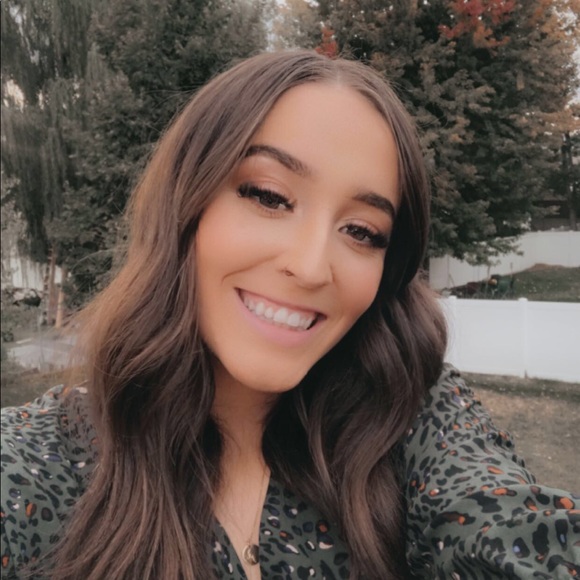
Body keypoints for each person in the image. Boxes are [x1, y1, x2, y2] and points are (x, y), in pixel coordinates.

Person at [1, 50, 578, 580]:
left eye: (362, 231)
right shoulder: (32, 467)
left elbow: (507, 532)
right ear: (185, 204)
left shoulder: (412, 414)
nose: (309, 267)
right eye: (269, 196)